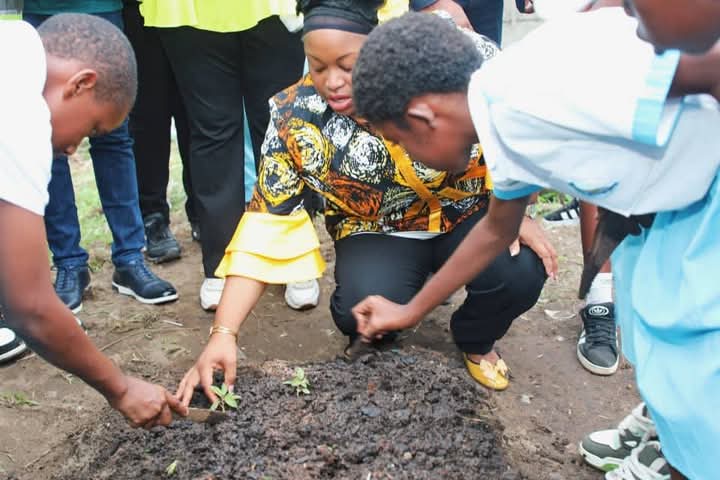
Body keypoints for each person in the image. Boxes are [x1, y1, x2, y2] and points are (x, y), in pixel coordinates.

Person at [350, 8, 720, 480]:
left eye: (399, 141)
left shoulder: (535, 99)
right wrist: (409, 311)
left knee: (694, 346)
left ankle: (689, 456)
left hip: (704, 202)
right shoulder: (498, 118)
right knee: (651, 324)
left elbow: (704, 64)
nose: (405, 153)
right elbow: (496, 230)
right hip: (659, 206)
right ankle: (665, 425)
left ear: (423, 118)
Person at [175, 0, 555, 408]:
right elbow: (266, 225)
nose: (333, 82)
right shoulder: (296, 118)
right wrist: (224, 334)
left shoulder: (442, 65)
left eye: (347, 65)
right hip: (377, 230)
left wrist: (517, 208)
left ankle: (475, 338)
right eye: (317, 67)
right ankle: (391, 332)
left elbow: (512, 127)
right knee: (358, 311)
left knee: (520, 269)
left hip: (468, 214)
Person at [0, 13, 185, 426]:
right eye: (93, 129)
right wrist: (121, 389)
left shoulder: (11, 45)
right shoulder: (20, 111)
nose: (73, 149)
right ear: (81, 84)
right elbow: (29, 307)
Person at [138, 0, 307, 311]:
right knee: (213, 132)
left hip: (273, 8)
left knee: (280, 126)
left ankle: (293, 256)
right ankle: (220, 267)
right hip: (189, 10)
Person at [23, 0, 178, 313]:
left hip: (100, 6)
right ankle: (69, 264)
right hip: (40, 7)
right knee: (49, 134)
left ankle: (130, 258)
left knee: (114, 134)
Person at [122, 0, 195, 263]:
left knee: (195, 112)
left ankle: (203, 211)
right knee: (148, 117)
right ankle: (153, 218)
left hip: (193, 11)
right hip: (139, 11)